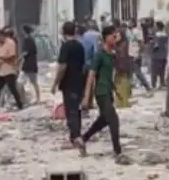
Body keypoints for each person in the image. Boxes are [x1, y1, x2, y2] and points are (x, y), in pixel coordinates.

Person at [76, 26, 128, 164]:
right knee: (114, 120)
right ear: (106, 37)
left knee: (104, 120)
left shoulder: (112, 54)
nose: (114, 38)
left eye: (115, 36)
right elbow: (91, 76)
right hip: (101, 92)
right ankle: (118, 152)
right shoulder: (99, 54)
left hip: (108, 92)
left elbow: (118, 69)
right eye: (112, 36)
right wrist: (87, 98)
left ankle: (83, 139)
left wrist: (118, 92)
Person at [52, 21, 86, 147]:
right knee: (76, 110)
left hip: (69, 83)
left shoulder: (66, 46)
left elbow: (62, 66)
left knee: (70, 111)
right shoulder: (80, 46)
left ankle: (76, 137)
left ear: (63, 32)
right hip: (79, 82)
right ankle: (75, 137)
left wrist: (55, 83)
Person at [0, 28, 24, 113]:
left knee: (12, 89)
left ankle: (20, 105)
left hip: (9, 70)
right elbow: (0, 57)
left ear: (2, 36)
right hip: (1, 71)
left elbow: (12, 57)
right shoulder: (1, 44)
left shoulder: (10, 43)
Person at [21, 25, 41, 104]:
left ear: (24, 31)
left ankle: (26, 99)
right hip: (31, 64)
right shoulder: (31, 40)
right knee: (33, 82)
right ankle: (33, 98)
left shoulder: (27, 40)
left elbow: (25, 52)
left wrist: (18, 60)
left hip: (29, 64)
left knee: (22, 82)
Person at [150, 21, 169, 89]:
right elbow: (167, 45)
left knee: (154, 71)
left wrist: (151, 45)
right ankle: (162, 83)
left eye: (155, 26)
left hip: (156, 55)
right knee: (162, 71)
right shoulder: (165, 34)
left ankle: (153, 84)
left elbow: (156, 45)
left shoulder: (156, 35)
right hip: (164, 55)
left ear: (157, 27)